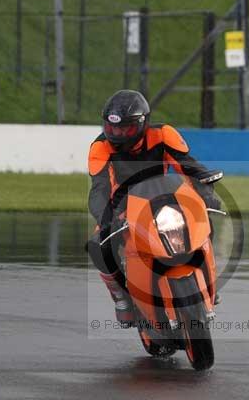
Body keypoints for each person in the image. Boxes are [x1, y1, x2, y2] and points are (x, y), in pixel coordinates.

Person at [86, 89, 223, 327]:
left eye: (124, 129)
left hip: (163, 195)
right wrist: (106, 218)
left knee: (203, 219)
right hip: (121, 205)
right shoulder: (99, 148)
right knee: (98, 245)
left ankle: (209, 282)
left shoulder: (163, 134)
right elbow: (99, 189)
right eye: (111, 128)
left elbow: (188, 166)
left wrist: (206, 192)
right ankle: (121, 298)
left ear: (142, 123)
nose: (117, 134)